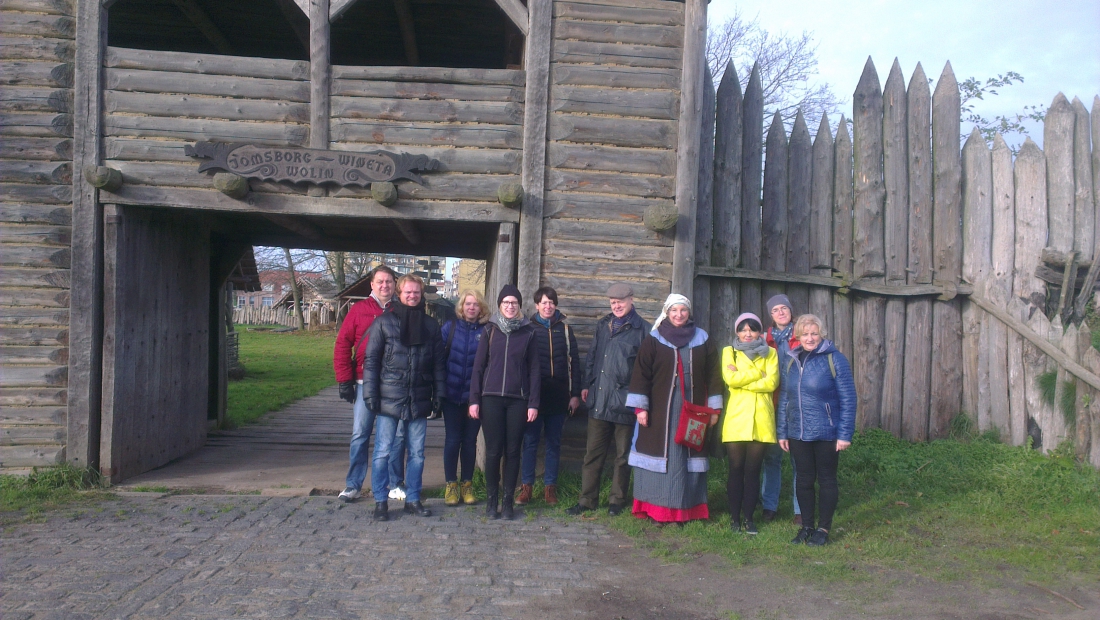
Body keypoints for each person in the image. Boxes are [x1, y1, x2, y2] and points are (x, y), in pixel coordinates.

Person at [626, 294, 723, 524]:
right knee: (659, 456)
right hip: (659, 412)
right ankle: (656, 510)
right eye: (674, 311)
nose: (679, 315)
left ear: (689, 312)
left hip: (693, 410)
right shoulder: (654, 339)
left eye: (683, 310)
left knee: (685, 459)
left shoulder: (702, 339)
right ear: (667, 313)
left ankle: (685, 511)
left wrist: (714, 409)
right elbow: (641, 373)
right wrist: (641, 408)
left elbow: (714, 375)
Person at [363, 274, 446, 521]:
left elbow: (438, 364)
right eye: (408, 292)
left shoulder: (431, 326)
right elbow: (371, 360)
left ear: (421, 295)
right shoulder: (384, 323)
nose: (412, 296)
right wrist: (370, 393)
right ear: (399, 294)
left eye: (416, 292)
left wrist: (439, 394)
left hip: (419, 396)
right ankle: (381, 501)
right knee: (383, 451)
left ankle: (413, 499)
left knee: (417, 453)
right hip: (389, 396)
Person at [566, 283, 650, 517]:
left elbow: (646, 370)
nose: (616, 306)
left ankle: (617, 501)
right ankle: (587, 500)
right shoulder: (603, 325)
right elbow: (592, 356)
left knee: (623, 456)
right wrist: (587, 385)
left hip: (625, 402)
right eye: (613, 302)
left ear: (631, 300)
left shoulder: (643, 330)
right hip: (599, 399)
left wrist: (640, 400)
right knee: (592, 454)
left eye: (620, 301)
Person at [777, 314, 857, 547]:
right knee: (803, 480)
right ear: (798, 336)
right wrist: (782, 431)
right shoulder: (792, 360)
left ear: (821, 334)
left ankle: (823, 529)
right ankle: (807, 526)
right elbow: (785, 398)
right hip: (798, 432)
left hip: (826, 431)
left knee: (826, 480)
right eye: (805, 334)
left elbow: (848, 398)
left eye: (814, 333)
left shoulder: (835, 359)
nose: (810, 338)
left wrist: (844, 434)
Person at [468, 284, 540, 520]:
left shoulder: (528, 332)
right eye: (506, 302)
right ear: (500, 305)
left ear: (519, 306)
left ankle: (508, 501)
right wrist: (474, 399)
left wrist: (533, 403)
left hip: (518, 400)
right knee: (493, 451)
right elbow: (478, 367)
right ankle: (492, 500)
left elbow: (534, 370)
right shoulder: (490, 330)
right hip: (491, 398)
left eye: (514, 303)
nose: (510, 306)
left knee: (513, 451)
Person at [333, 265, 398, 503]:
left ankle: (391, 484)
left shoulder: (401, 310)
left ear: (395, 284)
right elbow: (343, 344)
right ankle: (353, 484)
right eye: (380, 281)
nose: (384, 285)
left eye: (388, 281)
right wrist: (344, 379)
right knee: (360, 434)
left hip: (392, 383)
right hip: (363, 382)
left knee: (391, 437)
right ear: (372, 284)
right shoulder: (359, 310)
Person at [517, 287, 582, 507]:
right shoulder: (528, 329)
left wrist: (574, 394)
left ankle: (550, 489)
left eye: (551, 302)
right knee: (530, 443)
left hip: (559, 396)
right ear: (537, 305)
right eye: (544, 302)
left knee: (554, 444)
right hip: (535, 397)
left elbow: (574, 363)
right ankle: (526, 488)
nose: (548, 306)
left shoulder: (565, 330)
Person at [721, 313, 779, 534]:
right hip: (737, 418)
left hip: (761, 419)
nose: (748, 334)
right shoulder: (730, 352)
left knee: (753, 471)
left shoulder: (771, 353)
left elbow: (772, 383)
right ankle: (734, 518)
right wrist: (757, 373)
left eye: (752, 329)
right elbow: (730, 380)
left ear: (759, 332)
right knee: (736, 469)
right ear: (737, 332)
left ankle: (749, 518)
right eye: (743, 329)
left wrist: (743, 379)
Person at [439, 289, 489, 506]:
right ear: (461, 306)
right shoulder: (449, 328)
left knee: (469, 442)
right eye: (468, 304)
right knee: (452, 441)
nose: (471, 307)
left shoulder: (487, 331)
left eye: (475, 304)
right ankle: (451, 485)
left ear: (481, 308)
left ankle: (467, 485)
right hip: (451, 395)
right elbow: (438, 359)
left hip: (475, 398)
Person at [762, 294, 802, 524]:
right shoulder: (764, 339)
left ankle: (800, 508)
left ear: (790, 310)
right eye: (775, 310)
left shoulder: (802, 335)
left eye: (784, 308)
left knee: (799, 459)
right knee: (772, 457)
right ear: (771, 315)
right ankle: (769, 506)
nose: (781, 313)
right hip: (773, 403)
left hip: (798, 404)